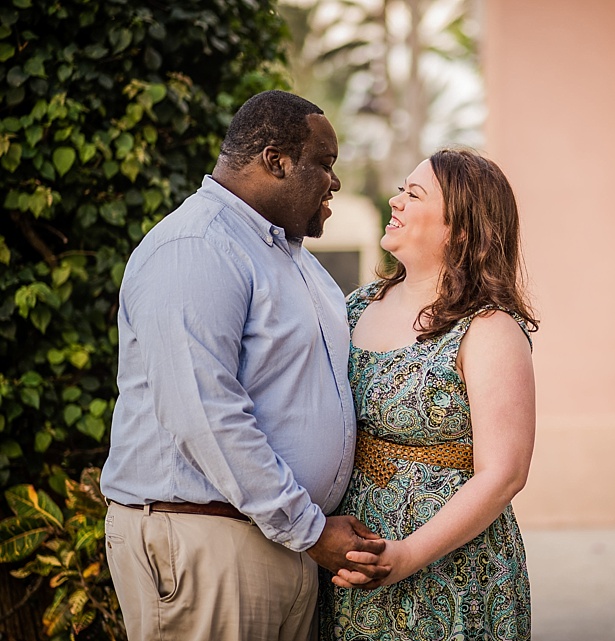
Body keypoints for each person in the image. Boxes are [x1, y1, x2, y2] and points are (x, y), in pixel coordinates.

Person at [100, 90, 389, 641]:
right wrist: (307, 528)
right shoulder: (196, 246)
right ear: (275, 160)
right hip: (206, 540)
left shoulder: (290, 258)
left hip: (282, 539)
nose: (334, 182)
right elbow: (205, 414)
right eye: (324, 163)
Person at [318, 148, 538, 640]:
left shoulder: (488, 328)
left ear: (460, 230)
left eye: (414, 195)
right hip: (348, 564)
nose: (395, 201)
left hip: (450, 570)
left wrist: (406, 555)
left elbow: (504, 473)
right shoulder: (353, 307)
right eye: (402, 189)